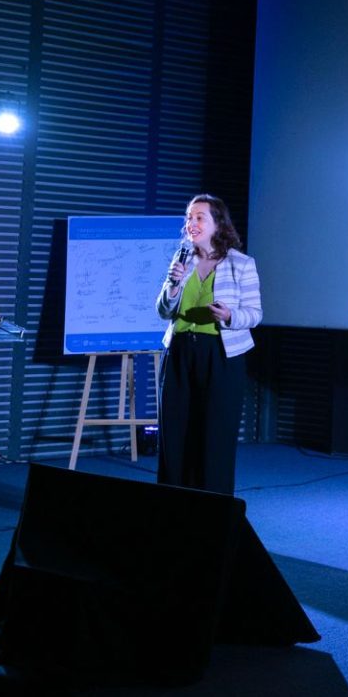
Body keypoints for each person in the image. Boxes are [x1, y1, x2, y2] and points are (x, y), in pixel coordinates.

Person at [155, 193, 262, 495]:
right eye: (189, 217)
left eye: (199, 217)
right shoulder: (182, 260)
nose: (191, 223)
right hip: (179, 353)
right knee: (175, 433)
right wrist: (174, 285)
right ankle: (171, 503)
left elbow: (255, 314)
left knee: (214, 434)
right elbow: (163, 311)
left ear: (218, 223)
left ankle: (213, 505)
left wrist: (229, 315)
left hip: (220, 356)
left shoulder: (241, 264)